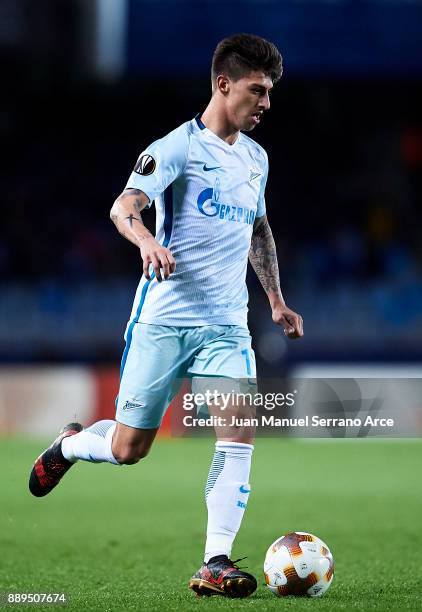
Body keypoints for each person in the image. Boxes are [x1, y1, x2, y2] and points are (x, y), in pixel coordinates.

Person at [29, 33, 303, 599]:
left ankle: (215, 561)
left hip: (228, 324)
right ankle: (71, 445)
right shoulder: (176, 147)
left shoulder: (257, 159)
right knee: (130, 448)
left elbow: (258, 230)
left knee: (239, 431)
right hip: (165, 320)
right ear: (224, 84)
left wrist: (274, 299)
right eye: (258, 90)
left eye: (270, 92)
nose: (266, 103)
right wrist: (146, 241)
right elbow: (123, 206)